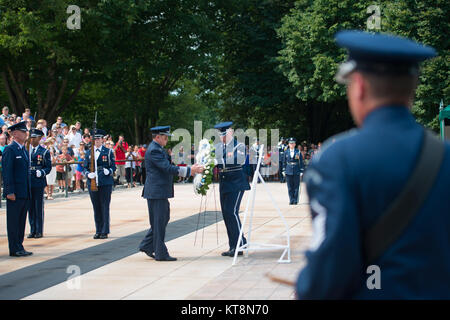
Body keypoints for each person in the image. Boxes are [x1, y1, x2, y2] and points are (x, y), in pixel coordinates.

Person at [296, 30, 450, 299]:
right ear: (411, 89)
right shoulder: (444, 155)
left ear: (360, 86)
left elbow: (329, 272)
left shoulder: (337, 159)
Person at [139, 126, 203, 261]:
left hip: (159, 191)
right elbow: (167, 168)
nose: (167, 139)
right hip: (156, 192)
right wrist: (189, 170)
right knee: (159, 221)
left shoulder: (157, 149)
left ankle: (147, 245)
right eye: (165, 137)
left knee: (162, 219)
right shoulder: (154, 150)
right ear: (157, 137)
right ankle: (160, 252)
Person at [214, 121, 251, 257]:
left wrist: (218, 161)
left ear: (231, 133)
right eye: (220, 135)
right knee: (226, 214)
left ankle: (240, 243)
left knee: (232, 212)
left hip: (236, 183)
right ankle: (233, 245)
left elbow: (238, 159)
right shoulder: (220, 147)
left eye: (224, 134)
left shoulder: (239, 145)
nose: (221, 137)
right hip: (224, 183)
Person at [2, 121, 32, 257]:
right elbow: (7, 172)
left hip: (24, 191)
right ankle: (14, 248)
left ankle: (19, 245)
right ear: (14, 134)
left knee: (21, 222)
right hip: (15, 193)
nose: (26, 133)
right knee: (13, 222)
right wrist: (9, 191)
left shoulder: (23, 150)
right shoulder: (10, 149)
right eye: (23, 131)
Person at [83, 129, 116, 239]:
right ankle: (98, 230)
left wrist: (109, 171)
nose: (97, 140)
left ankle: (105, 230)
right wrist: (88, 174)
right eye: (95, 139)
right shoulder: (89, 152)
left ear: (102, 140)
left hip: (105, 182)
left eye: (99, 138)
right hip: (92, 182)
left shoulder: (108, 152)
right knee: (96, 207)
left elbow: (113, 166)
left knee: (104, 206)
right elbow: (85, 167)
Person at [27, 129, 52, 238]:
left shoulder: (44, 152)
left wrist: (41, 172)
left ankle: (39, 230)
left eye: (34, 138)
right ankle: (32, 229)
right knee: (30, 207)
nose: (32, 140)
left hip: (38, 181)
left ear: (39, 138)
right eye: (31, 137)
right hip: (28, 181)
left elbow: (48, 167)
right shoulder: (26, 150)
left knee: (38, 206)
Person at [283, 137, 304, 205]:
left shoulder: (298, 151)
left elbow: (301, 162)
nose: (291, 144)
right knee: (290, 187)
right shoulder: (286, 152)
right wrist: (283, 170)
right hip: (288, 170)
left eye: (293, 143)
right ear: (288, 144)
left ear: (295, 144)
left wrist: (301, 171)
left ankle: (295, 200)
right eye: (290, 143)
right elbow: (284, 162)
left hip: (296, 170)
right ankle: (291, 200)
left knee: (296, 187)